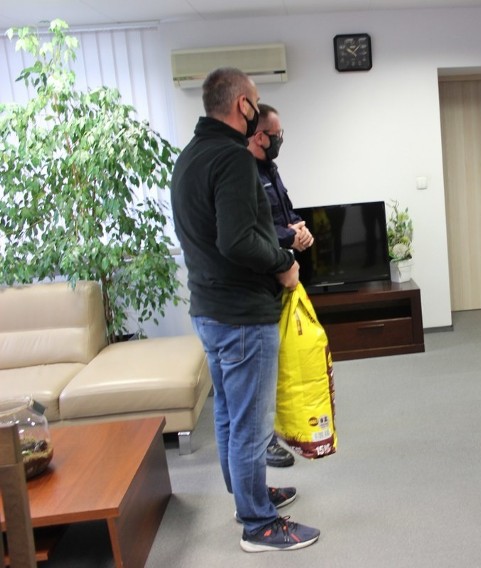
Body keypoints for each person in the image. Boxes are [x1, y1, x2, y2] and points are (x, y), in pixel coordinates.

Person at [170, 67, 320, 552]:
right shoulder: (232, 159)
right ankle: (258, 525)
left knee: (232, 418)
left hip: (209, 308)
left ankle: (247, 497)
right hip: (240, 314)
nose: (257, 107)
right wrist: (284, 264)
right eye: (255, 100)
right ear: (241, 106)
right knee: (252, 424)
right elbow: (237, 240)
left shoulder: (190, 156)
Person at [247, 103, 314, 468]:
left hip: (281, 272)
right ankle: (265, 441)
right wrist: (289, 236)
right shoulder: (244, 173)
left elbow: (283, 214)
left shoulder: (269, 168)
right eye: (277, 135)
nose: (281, 140)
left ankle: (273, 433)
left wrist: (298, 228)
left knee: (276, 364)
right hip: (262, 279)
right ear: (260, 137)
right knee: (261, 372)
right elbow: (255, 230)